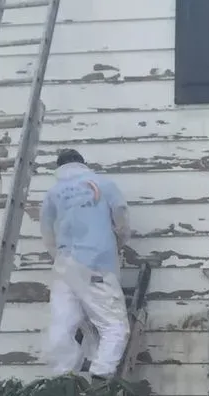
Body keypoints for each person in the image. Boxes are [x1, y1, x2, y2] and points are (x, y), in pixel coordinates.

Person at [41, 149, 130, 379]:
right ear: (83, 164)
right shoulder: (103, 184)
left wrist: (58, 256)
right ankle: (101, 373)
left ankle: (62, 376)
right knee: (114, 325)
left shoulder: (53, 193)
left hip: (63, 265)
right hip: (96, 263)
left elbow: (47, 232)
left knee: (63, 322)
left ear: (58, 168)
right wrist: (120, 238)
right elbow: (120, 211)